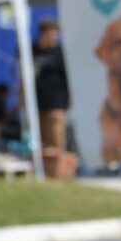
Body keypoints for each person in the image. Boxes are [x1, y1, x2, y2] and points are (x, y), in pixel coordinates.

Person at [34, 18, 70, 152]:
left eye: (55, 34)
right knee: (40, 141)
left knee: (56, 139)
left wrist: (68, 101)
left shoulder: (60, 52)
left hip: (56, 104)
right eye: (50, 34)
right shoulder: (33, 50)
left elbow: (68, 78)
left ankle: (58, 169)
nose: (54, 38)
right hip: (37, 103)